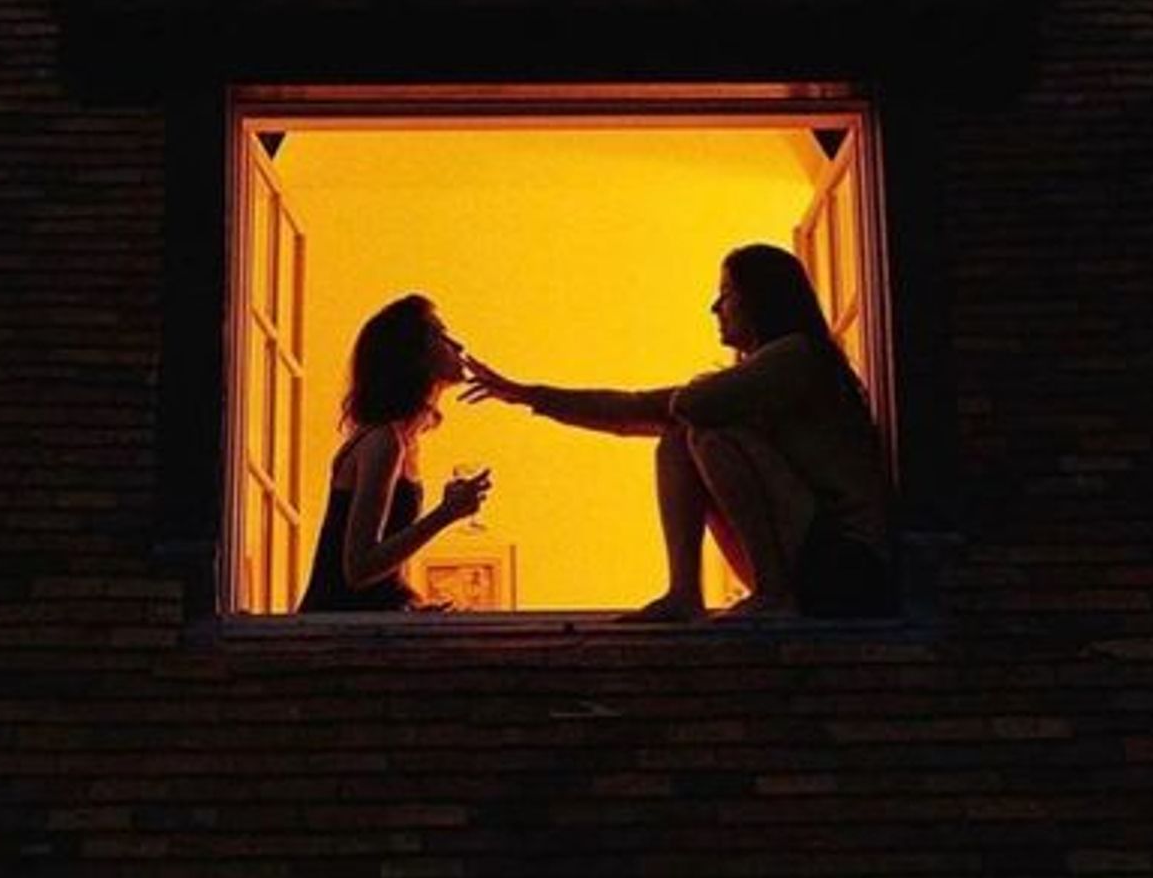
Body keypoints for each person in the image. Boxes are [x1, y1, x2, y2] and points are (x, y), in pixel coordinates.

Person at [462, 243, 895, 622]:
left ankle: (772, 592)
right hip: (814, 559)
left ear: (758, 301)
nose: (715, 308)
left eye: (726, 294)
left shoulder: (796, 355)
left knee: (707, 434)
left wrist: (692, 394)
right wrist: (527, 395)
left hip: (849, 566)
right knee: (677, 439)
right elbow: (631, 410)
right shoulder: (765, 371)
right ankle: (684, 592)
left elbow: (688, 406)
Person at [297, 293, 492, 612]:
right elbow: (359, 569)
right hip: (335, 636)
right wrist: (446, 514)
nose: (456, 346)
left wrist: (410, 604)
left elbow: (379, 579)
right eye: (439, 335)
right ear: (412, 356)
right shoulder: (384, 442)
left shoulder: (401, 442)